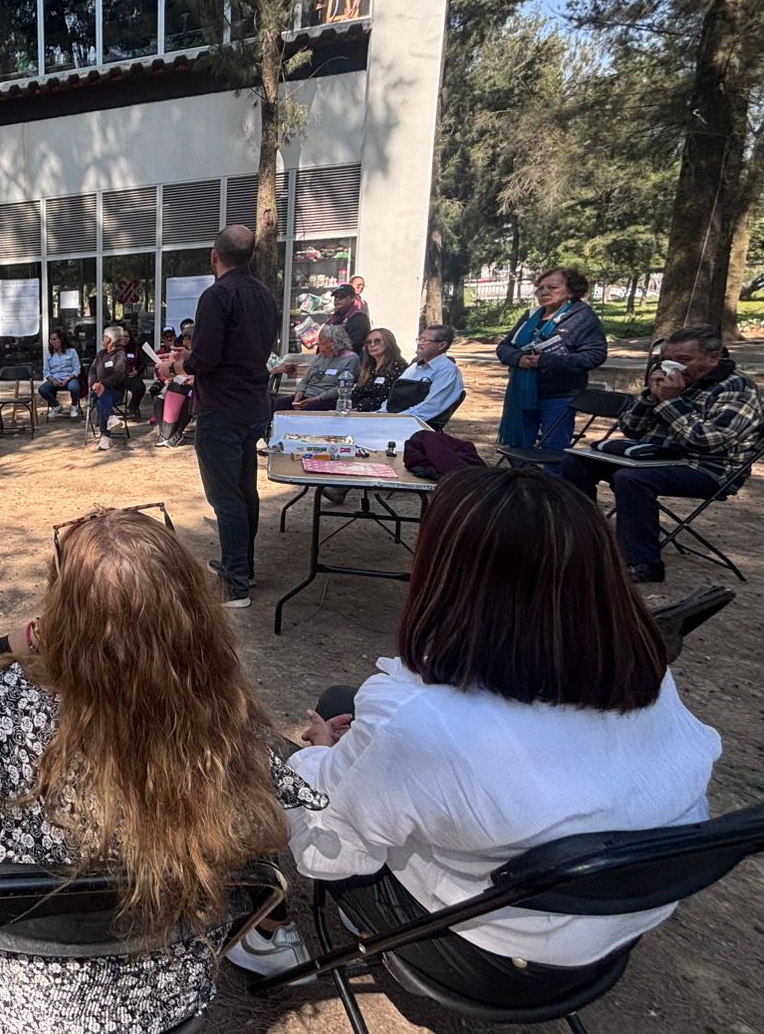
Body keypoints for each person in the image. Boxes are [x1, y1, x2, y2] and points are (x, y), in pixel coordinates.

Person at [282, 468, 720, 995]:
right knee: (343, 704)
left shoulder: (417, 717)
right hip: (616, 922)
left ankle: (272, 933)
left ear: (445, 574)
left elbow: (333, 851)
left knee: (286, 765)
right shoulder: (639, 669)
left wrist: (311, 763)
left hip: (491, 961)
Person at [0, 508, 326, 1030]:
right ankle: (266, 945)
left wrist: (20, 640)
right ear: (193, 620)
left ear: (63, 617)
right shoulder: (229, 728)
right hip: (168, 1002)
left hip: (25, 1005)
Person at [562, 324, 763, 583]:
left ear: (713, 358)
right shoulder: (671, 382)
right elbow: (632, 430)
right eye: (668, 360)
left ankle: (644, 564)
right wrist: (649, 398)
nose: (674, 367)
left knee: (630, 479)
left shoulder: (736, 388)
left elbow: (707, 442)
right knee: (575, 460)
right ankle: (583, 536)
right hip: (654, 457)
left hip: (708, 468)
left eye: (684, 360)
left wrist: (670, 401)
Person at [176, 225, 279, 608]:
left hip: (222, 408)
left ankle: (236, 584)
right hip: (253, 406)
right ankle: (242, 567)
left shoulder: (218, 295)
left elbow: (204, 358)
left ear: (214, 256)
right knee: (243, 491)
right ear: (251, 257)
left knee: (226, 498)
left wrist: (177, 365)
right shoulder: (265, 296)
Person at [496, 266, 608, 461]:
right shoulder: (531, 316)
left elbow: (595, 355)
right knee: (517, 447)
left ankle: (551, 487)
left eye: (553, 287)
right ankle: (524, 485)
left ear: (571, 290)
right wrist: (518, 358)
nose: (544, 292)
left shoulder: (583, 318)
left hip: (559, 396)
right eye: (540, 288)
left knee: (553, 451)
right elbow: (505, 347)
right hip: (522, 392)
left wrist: (547, 361)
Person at [270, 324, 360, 413]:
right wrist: (298, 394)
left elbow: (342, 387)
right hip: (306, 396)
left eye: (321, 339)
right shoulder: (320, 356)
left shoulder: (350, 359)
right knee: (278, 405)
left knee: (307, 411)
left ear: (333, 342)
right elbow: (306, 379)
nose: (318, 342)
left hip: (326, 399)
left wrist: (317, 398)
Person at [396, 324, 465, 423]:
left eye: (425, 340)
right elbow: (394, 397)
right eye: (419, 339)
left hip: (416, 426)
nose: (420, 343)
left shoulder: (447, 371)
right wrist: (380, 414)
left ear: (442, 345)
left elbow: (430, 407)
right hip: (398, 418)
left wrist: (394, 419)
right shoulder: (414, 367)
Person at [87, 327, 130, 451]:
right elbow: (92, 371)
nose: (102, 338)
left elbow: (119, 374)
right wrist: (94, 384)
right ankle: (110, 418)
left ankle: (105, 436)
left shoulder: (120, 354)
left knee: (101, 401)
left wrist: (103, 384)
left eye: (104, 336)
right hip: (97, 390)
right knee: (101, 395)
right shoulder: (101, 354)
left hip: (115, 392)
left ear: (110, 339)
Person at [152, 332, 195, 448]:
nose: (188, 343)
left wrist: (192, 379)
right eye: (186, 339)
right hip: (177, 384)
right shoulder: (180, 354)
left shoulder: (200, 355)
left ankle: (177, 433)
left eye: (191, 339)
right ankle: (164, 433)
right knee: (158, 399)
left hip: (195, 389)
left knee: (190, 400)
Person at [349, 328, 408, 413]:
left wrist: (358, 409)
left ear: (388, 343)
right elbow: (356, 393)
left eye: (377, 341)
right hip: (357, 411)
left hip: (380, 413)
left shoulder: (398, 367)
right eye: (369, 342)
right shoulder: (368, 367)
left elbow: (386, 398)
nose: (372, 345)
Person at [38, 329, 83, 418]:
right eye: (51, 340)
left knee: (74, 387)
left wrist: (67, 379)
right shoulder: (49, 354)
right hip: (55, 379)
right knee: (42, 389)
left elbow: (77, 369)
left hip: (69, 378)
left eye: (55, 339)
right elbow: (46, 371)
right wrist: (53, 379)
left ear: (61, 340)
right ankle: (56, 406)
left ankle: (74, 406)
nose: (52, 342)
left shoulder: (71, 352)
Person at [323, 284, 370, 355]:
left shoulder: (359, 318)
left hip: (349, 359)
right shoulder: (334, 317)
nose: (337, 300)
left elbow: (355, 345)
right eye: (336, 297)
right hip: (331, 356)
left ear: (352, 298)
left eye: (342, 297)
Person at [119, 327, 147, 418]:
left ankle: (132, 408)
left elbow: (142, 363)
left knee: (140, 387)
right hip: (117, 378)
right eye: (122, 336)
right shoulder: (113, 349)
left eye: (126, 336)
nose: (124, 339)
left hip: (131, 376)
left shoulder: (135, 349)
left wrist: (137, 372)